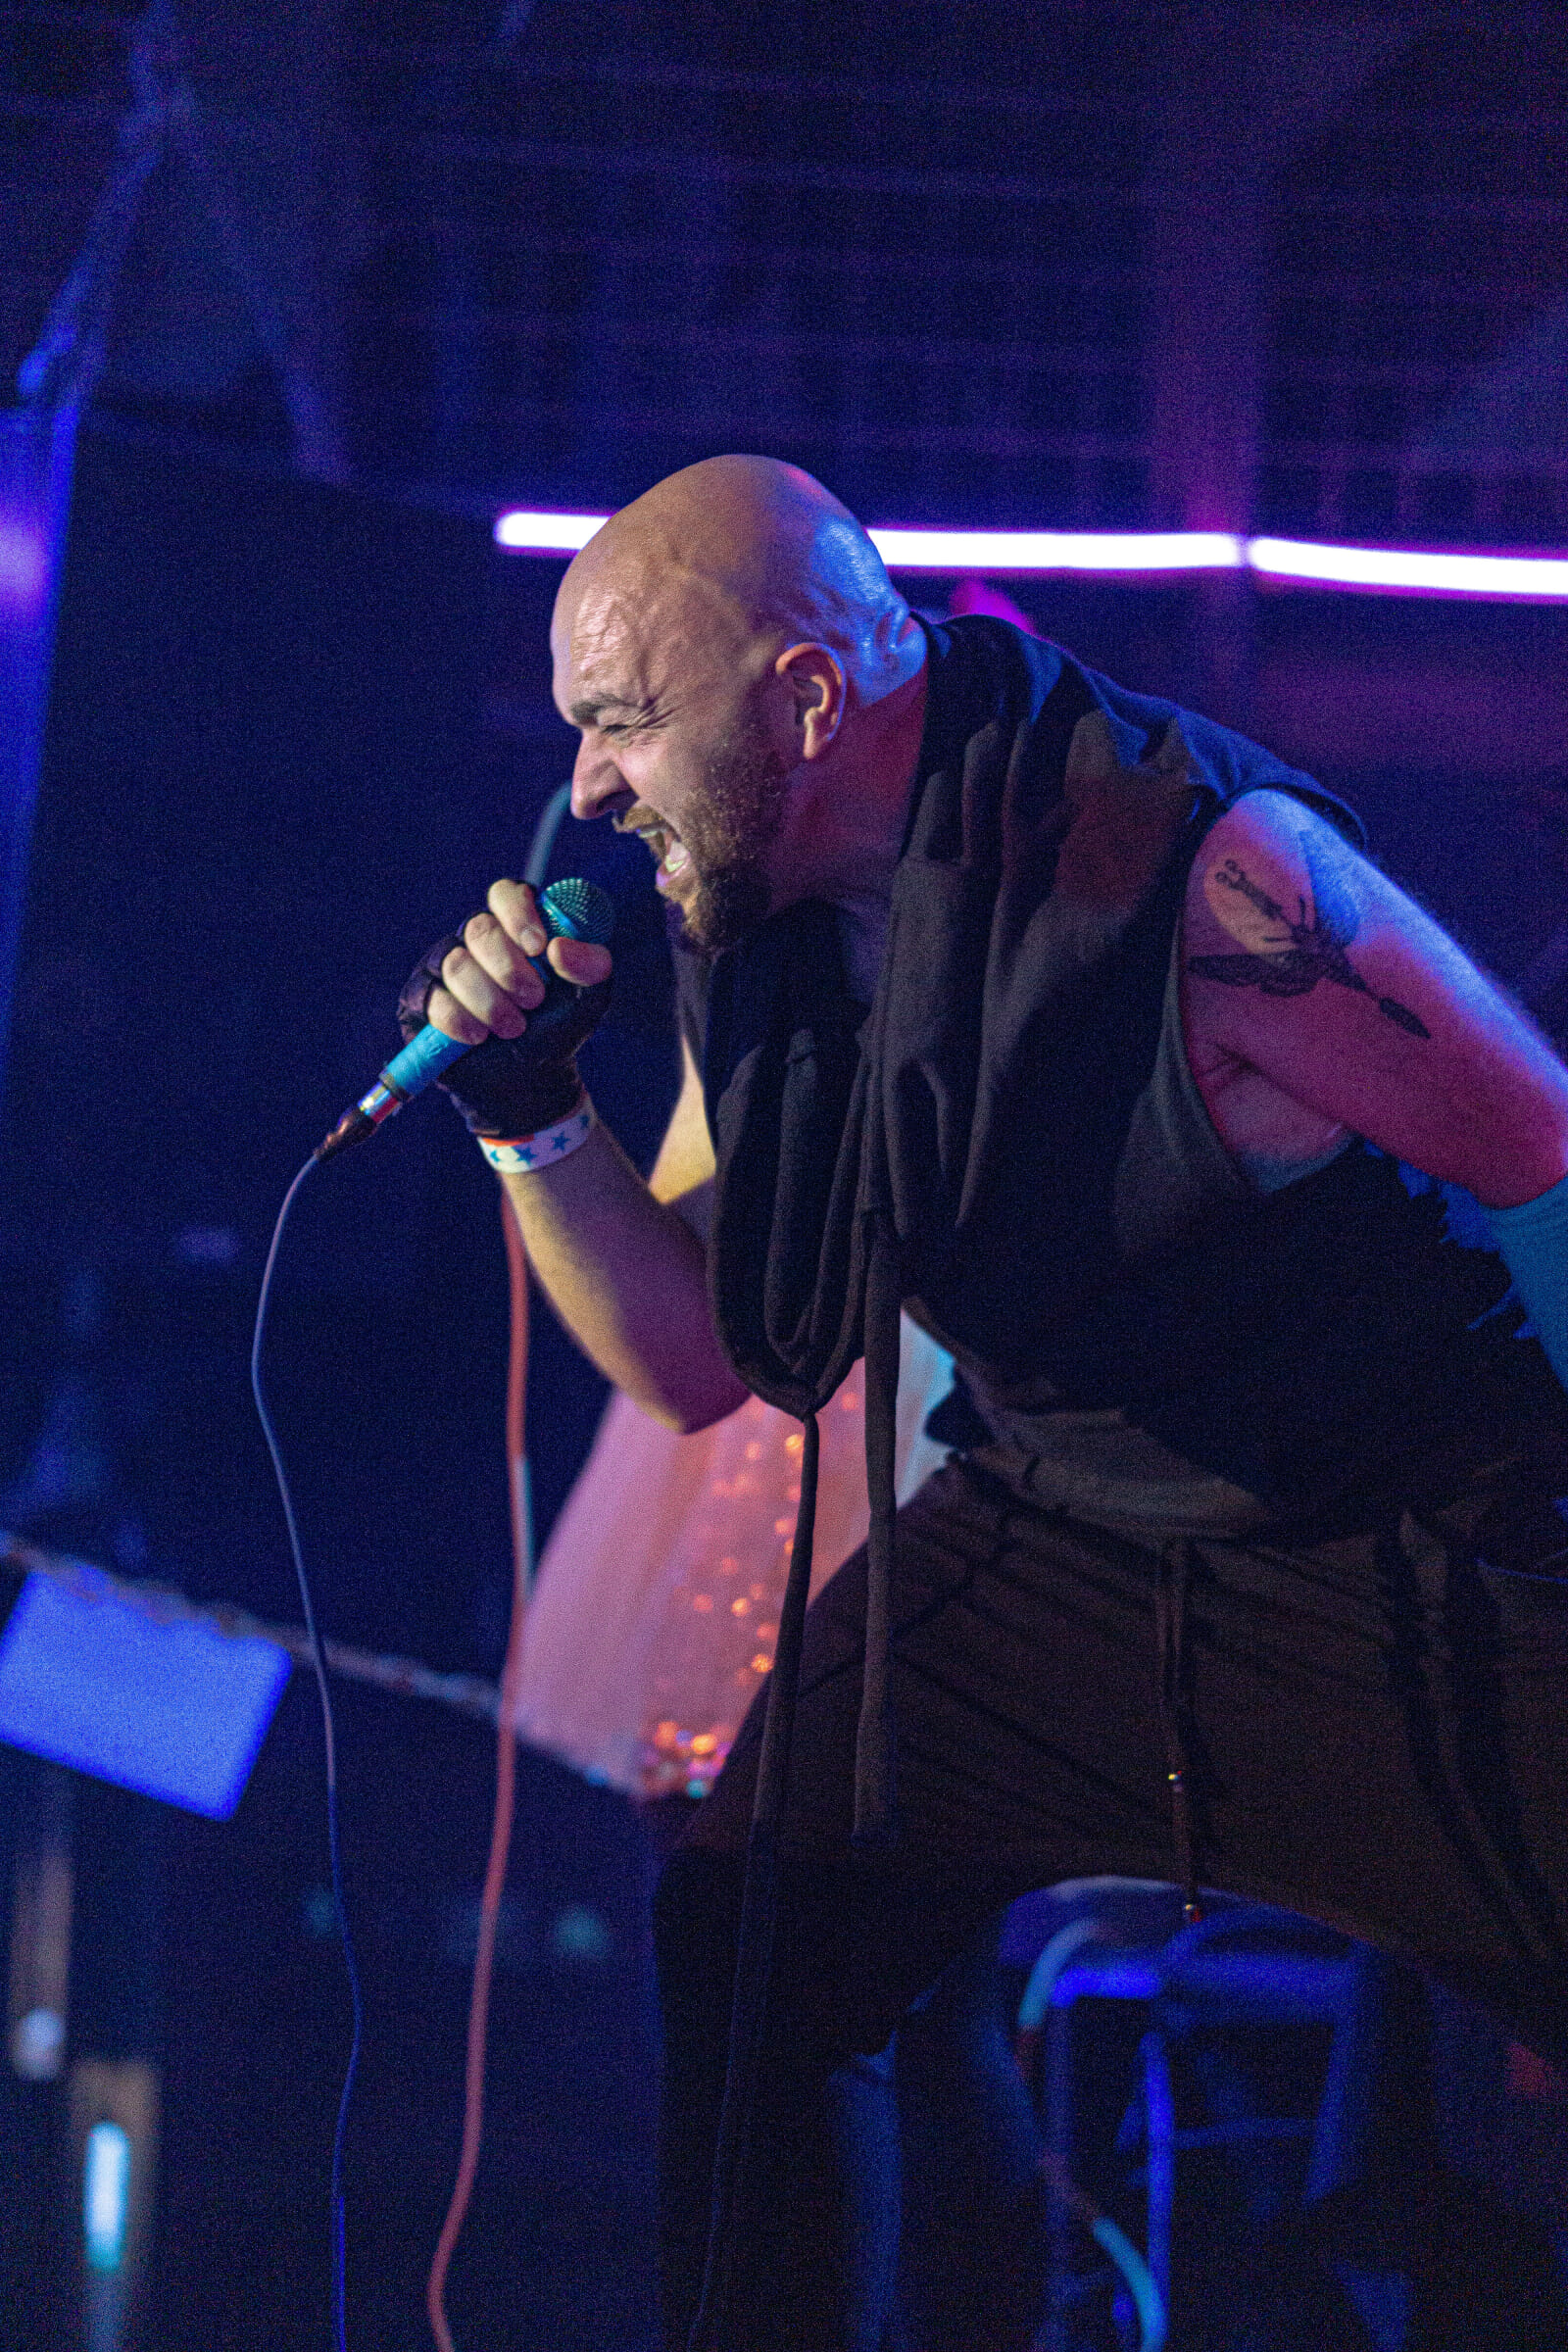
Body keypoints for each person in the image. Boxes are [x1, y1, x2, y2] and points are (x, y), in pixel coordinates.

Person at [398, 455, 1568, 2350]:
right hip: (1057, 1527)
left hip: (1393, 1542)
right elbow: (694, 1364)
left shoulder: (1218, 879)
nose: (589, 787)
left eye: (621, 721)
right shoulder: (767, 912)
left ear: (804, 699)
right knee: (753, 1931)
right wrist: (530, 1110)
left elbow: (1542, 1153)